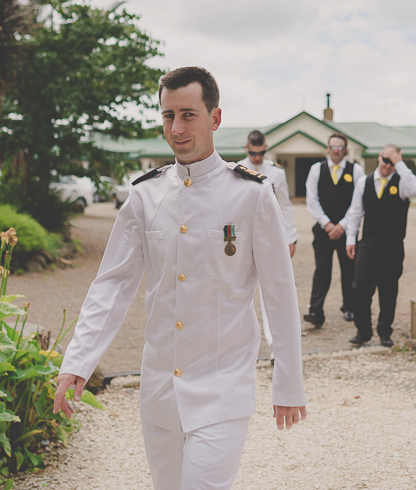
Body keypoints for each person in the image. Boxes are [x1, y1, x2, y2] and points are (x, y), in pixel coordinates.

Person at [53, 67, 306, 490]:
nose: (177, 127)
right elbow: (112, 284)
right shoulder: (145, 195)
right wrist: (79, 361)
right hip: (159, 391)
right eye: (168, 116)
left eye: (188, 114)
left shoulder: (251, 194)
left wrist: (289, 382)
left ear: (215, 118)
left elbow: (279, 294)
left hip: (224, 389)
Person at [345, 144, 416, 348]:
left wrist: (399, 163)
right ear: (379, 158)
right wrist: (350, 239)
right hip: (368, 245)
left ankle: (385, 332)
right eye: (385, 160)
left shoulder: (403, 183)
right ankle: (363, 331)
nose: (387, 165)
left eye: (391, 162)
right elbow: (354, 212)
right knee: (360, 288)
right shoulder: (364, 182)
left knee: (389, 291)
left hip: (393, 247)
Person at [237, 130, 297, 355]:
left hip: (270, 238)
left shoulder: (276, 173)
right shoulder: (237, 171)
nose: (258, 158)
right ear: (246, 149)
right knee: (238, 291)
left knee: (271, 291)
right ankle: (242, 347)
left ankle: (275, 347)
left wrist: (290, 237)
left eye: (261, 153)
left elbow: (285, 206)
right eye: (253, 153)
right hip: (243, 238)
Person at [303, 132, 364, 327]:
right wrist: (327, 224)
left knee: (349, 270)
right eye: (333, 147)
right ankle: (315, 311)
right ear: (327, 149)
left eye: (340, 147)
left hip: (347, 230)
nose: (336, 151)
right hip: (323, 230)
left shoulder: (356, 171)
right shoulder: (316, 170)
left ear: (345, 150)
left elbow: (358, 202)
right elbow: (312, 200)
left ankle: (350, 307)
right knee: (322, 271)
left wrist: (343, 226)